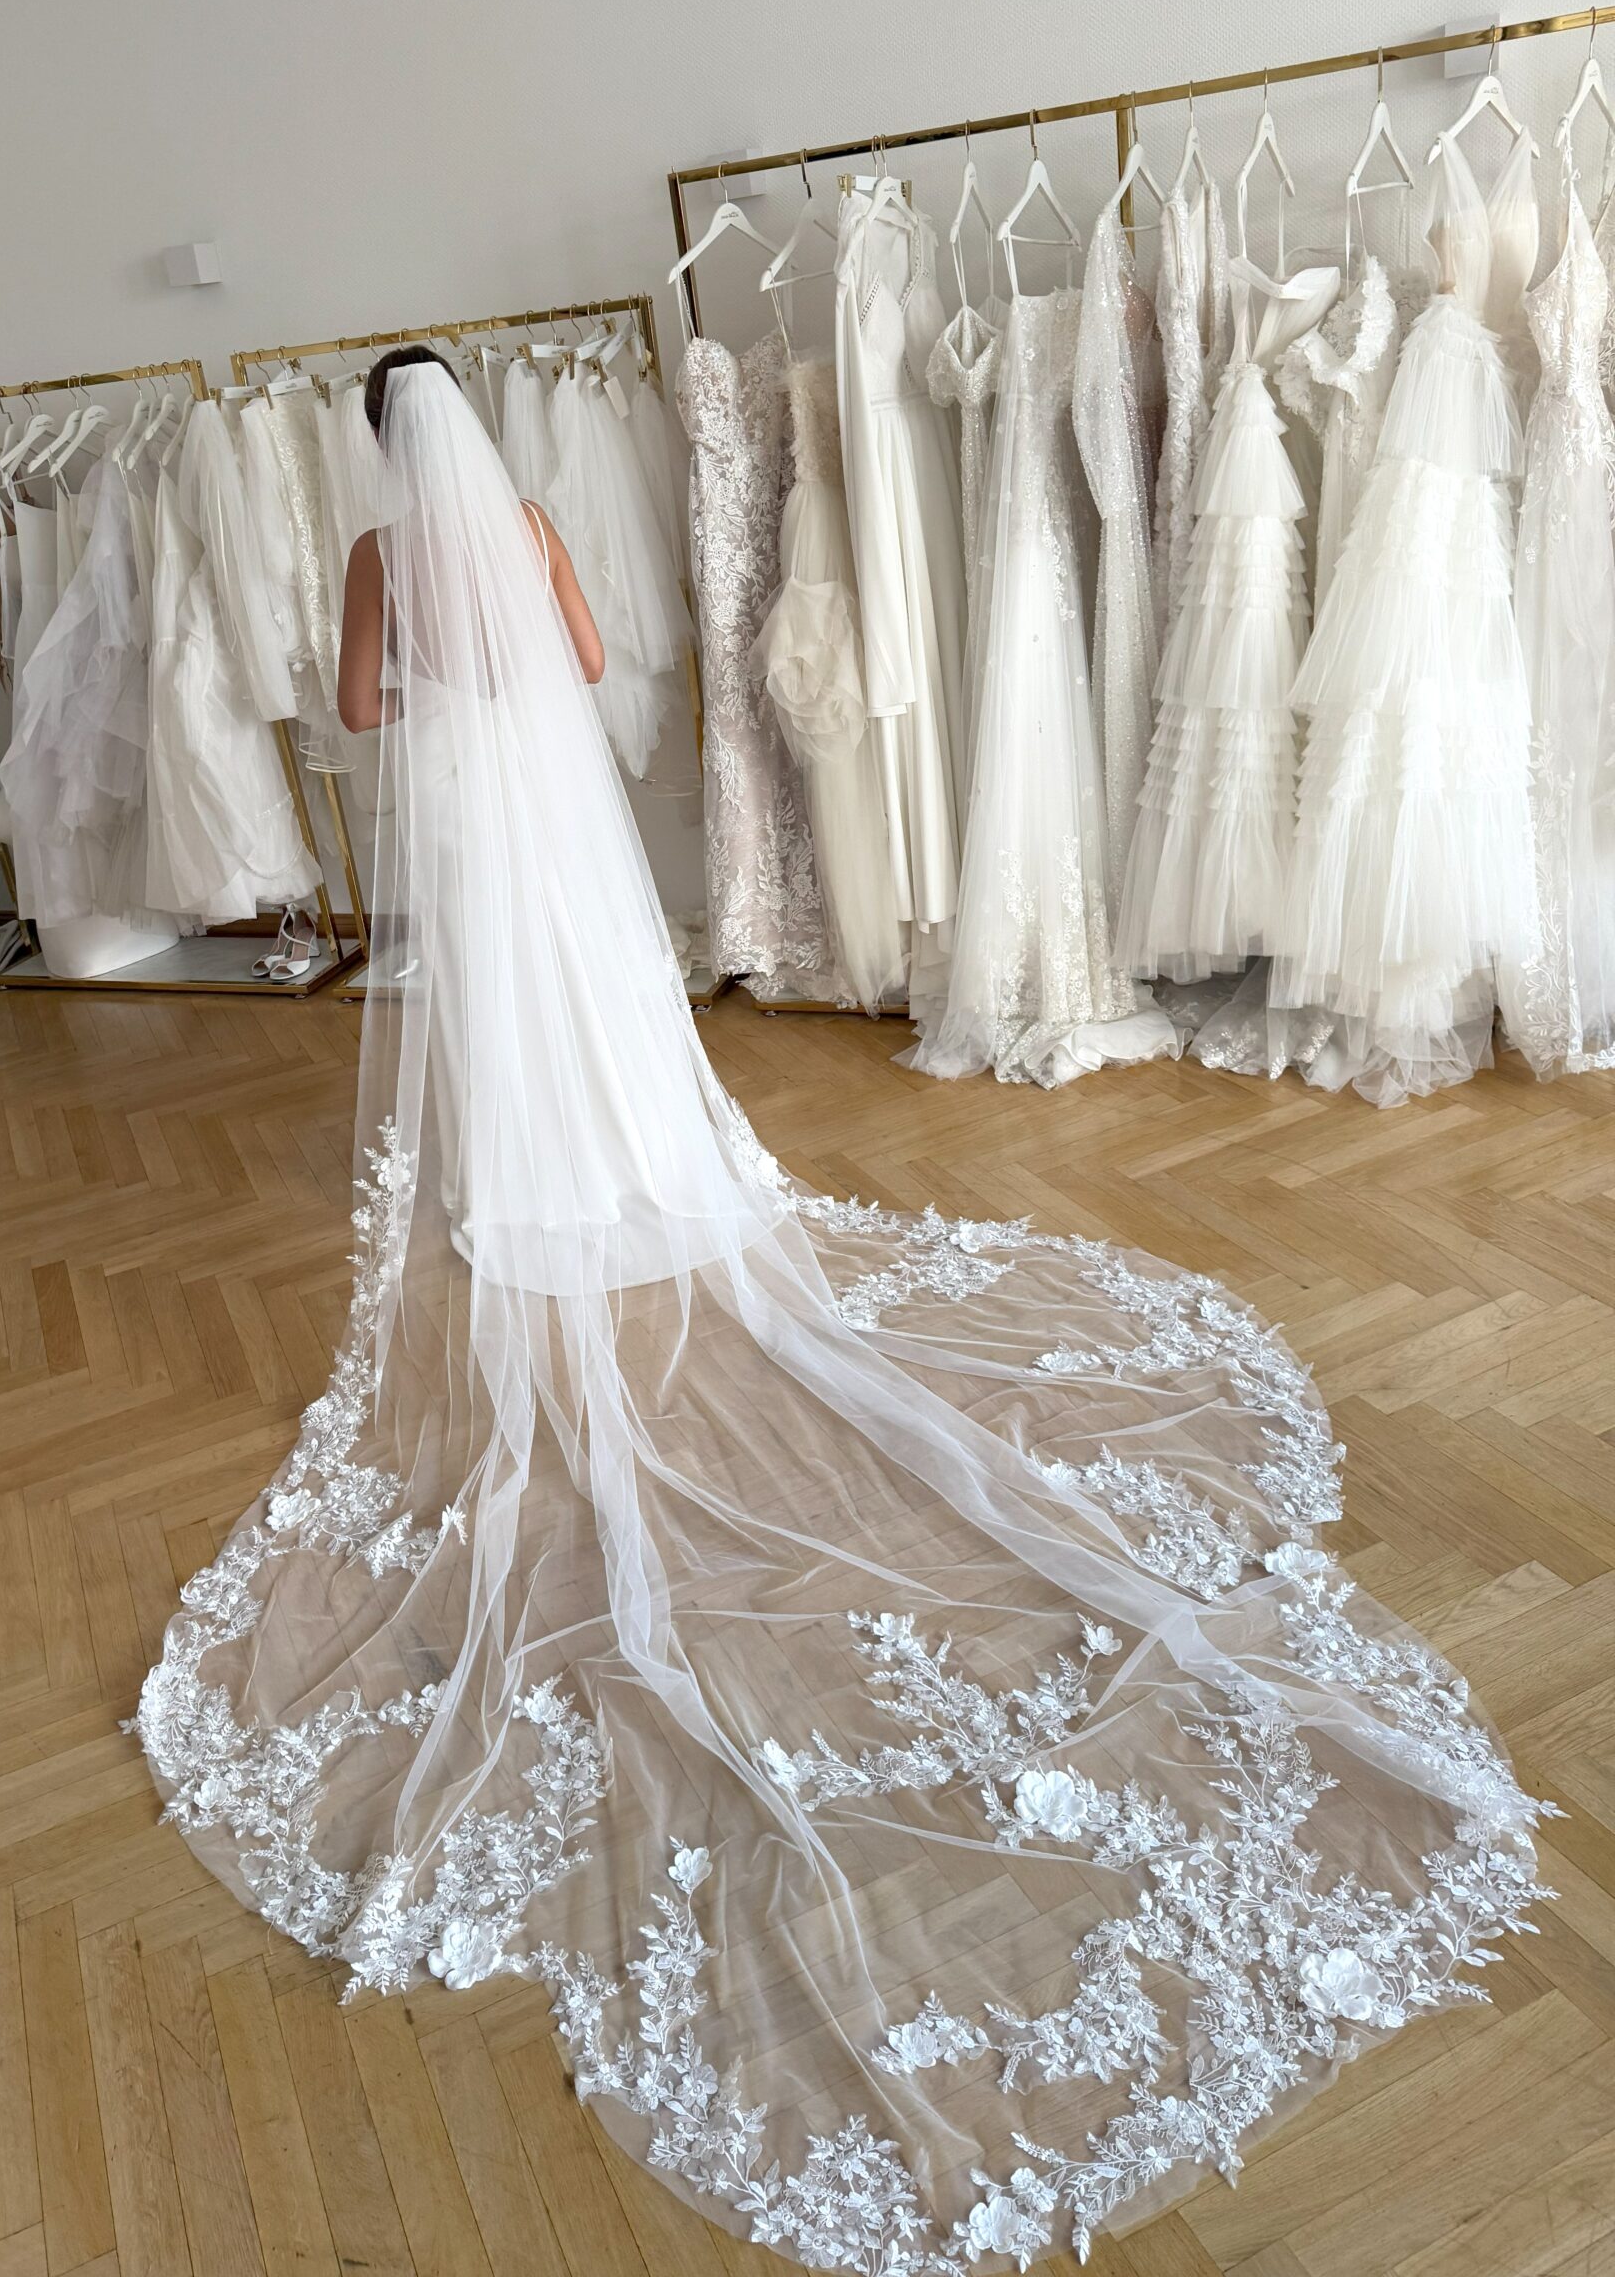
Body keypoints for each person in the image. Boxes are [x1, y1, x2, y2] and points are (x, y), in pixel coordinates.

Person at [135, 349, 1547, 2275]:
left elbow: (373, 707)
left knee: (500, 1003)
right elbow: (589, 656)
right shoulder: (525, 523)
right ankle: (634, 1164)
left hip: (463, 808)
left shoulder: (386, 556)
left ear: (384, 447)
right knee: (598, 993)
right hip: (554, 803)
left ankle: (532, 1182)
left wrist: (392, 681)